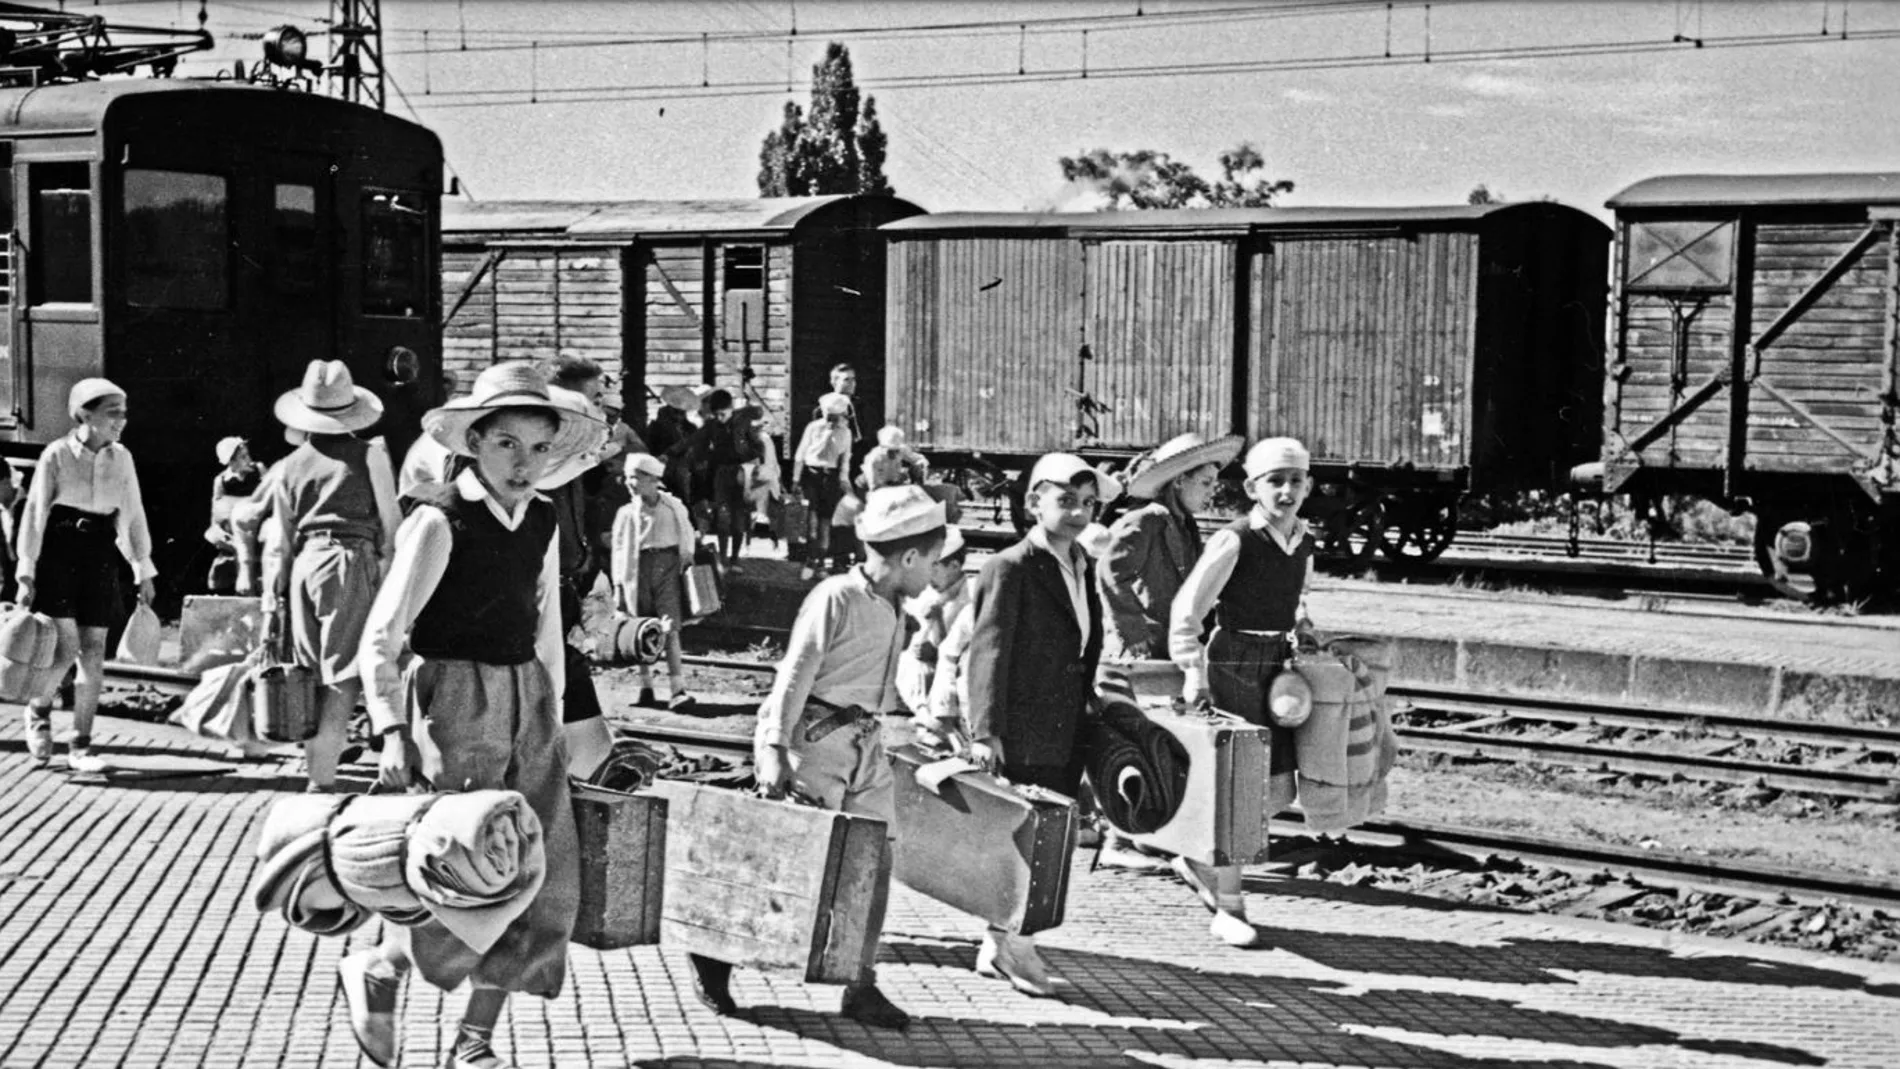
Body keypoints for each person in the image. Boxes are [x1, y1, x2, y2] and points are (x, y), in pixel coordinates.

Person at [346, 360, 603, 1069]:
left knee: (537, 876)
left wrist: (554, 711)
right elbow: (383, 634)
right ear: (475, 443)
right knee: (457, 872)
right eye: (507, 445)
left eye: (539, 448)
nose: (524, 463)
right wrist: (391, 727)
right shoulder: (439, 518)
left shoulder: (544, 518)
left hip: (528, 701)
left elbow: (546, 625)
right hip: (453, 704)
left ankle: (475, 1040)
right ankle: (380, 967)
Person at [694, 485, 948, 1032]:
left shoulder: (898, 607)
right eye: (932, 560)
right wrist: (773, 746)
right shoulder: (837, 597)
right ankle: (714, 955)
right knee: (784, 861)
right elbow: (795, 671)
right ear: (907, 557)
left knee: (873, 863)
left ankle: (859, 984)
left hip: (866, 748)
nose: (936, 572)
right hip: (816, 741)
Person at [958, 452, 1118, 997]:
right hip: (1023, 728)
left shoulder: (1081, 565)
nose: (1078, 513)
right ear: (1033, 502)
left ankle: (999, 943)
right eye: (1066, 501)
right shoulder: (1010, 567)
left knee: (1049, 837)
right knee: (1031, 842)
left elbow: (1083, 642)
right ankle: (1017, 947)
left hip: (1065, 725)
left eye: (1088, 504)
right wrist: (985, 732)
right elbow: (988, 653)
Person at [1168, 436, 1319, 948]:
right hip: (1232, 663)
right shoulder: (1235, 540)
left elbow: (1296, 601)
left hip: (1278, 666)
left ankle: (1197, 859)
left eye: (1295, 480)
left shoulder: (1304, 542)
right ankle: (1229, 905)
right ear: (1253, 488)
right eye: (1275, 481)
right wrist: (1194, 673)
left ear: (1309, 486)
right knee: (1240, 788)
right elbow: (1187, 612)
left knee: (1276, 787)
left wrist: (1306, 629)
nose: (1286, 490)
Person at [1094, 432, 1243, 870]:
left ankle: (1142, 833)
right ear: (1178, 481)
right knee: (1132, 740)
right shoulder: (1148, 520)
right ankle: (1116, 840)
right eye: (1204, 481)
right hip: (1137, 652)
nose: (1212, 489)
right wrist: (1131, 625)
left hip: (1162, 650)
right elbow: (1110, 570)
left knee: (1157, 741)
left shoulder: (1184, 525)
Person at [263, 361, 403, 794]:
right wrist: (391, 578)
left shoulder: (289, 464)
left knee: (310, 672)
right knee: (344, 671)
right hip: (349, 560)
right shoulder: (370, 453)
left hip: (304, 565)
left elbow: (278, 540)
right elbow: (392, 522)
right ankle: (322, 781)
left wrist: (273, 600)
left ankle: (317, 769)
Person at [15, 379, 156, 772]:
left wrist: (142, 569)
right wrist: (26, 571)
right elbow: (35, 514)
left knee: (94, 652)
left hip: (98, 555)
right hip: (59, 554)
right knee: (66, 647)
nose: (121, 421)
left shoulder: (123, 458)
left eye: (124, 412)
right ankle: (39, 711)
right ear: (85, 414)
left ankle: (81, 745)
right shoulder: (56, 455)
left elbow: (133, 514)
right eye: (113, 412)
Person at [610, 452, 697, 712]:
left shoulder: (674, 507)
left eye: (635, 478)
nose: (630, 483)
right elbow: (618, 549)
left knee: (670, 629)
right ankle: (646, 687)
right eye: (628, 478)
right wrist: (619, 586)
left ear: (652, 479)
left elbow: (687, 539)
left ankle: (677, 690)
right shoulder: (626, 513)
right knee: (640, 629)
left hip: (668, 569)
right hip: (636, 571)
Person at [895, 527, 968, 719]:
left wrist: (937, 624)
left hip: (949, 672)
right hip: (917, 668)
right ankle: (923, 711)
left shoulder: (971, 598)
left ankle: (926, 715)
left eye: (934, 570)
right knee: (909, 663)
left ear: (954, 566)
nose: (929, 577)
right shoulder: (924, 592)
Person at [792, 392, 853, 580]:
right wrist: (795, 479)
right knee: (811, 521)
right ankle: (810, 561)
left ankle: (819, 564)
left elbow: (845, 459)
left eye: (833, 417)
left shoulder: (845, 433)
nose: (829, 420)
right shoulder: (813, 427)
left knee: (825, 523)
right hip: (811, 475)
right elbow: (801, 453)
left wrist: (844, 481)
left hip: (831, 478)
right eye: (827, 415)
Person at [206, 436, 266, 594]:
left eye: (248, 455)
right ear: (231, 462)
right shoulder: (221, 481)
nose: (249, 460)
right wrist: (219, 532)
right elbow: (217, 512)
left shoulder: (259, 471)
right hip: (232, 530)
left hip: (257, 525)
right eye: (243, 457)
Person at [645, 384, 699, 505]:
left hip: (687, 470)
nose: (679, 416)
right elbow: (650, 448)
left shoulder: (691, 428)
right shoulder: (657, 426)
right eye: (676, 412)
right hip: (664, 468)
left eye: (682, 412)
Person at [860, 425, 929, 492]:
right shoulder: (873, 459)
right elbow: (875, 488)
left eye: (896, 450)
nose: (895, 453)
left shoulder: (901, 449)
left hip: (890, 482)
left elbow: (919, 459)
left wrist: (919, 468)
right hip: (868, 487)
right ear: (883, 447)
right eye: (891, 450)